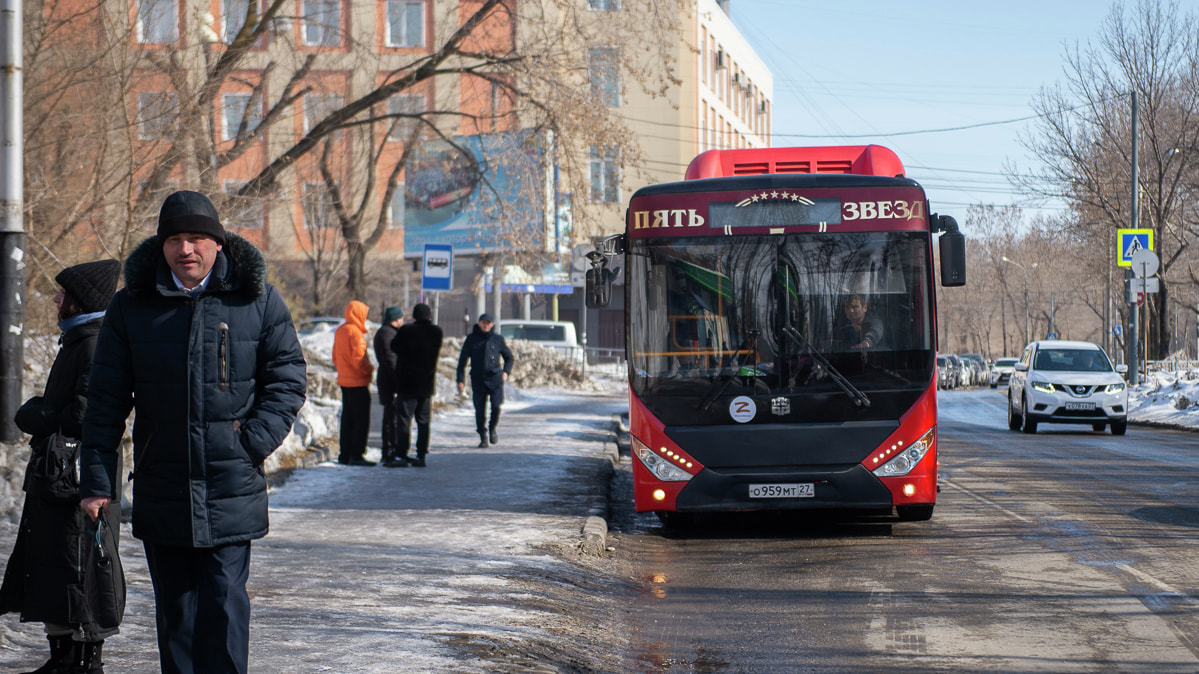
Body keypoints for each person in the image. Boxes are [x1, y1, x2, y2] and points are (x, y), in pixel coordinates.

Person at [77, 190, 307, 674]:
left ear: (218, 244)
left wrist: (251, 442)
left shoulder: (257, 298)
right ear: (161, 247)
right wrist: (97, 482)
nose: (187, 249)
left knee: (224, 608)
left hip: (231, 484)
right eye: (176, 239)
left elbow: (287, 377)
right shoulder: (131, 307)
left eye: (198, 238)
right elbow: (104, 404)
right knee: (177, 615)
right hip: (165, 483)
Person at [1, 259, 122, 674]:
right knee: (54, 563)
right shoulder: (79, 338)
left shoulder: (93, 341)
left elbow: (88, 412)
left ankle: (83, 664)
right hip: (62, 477)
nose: (56, 299)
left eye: (63, 294)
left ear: (81, 300)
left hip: (78, 477)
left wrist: (38, 414)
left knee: (79, 565)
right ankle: (63, 659)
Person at [388, 303, 443, 467]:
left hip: (407, 383)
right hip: (426, 385)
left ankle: (401, 454)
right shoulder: (436, 332)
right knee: (423, 421)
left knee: (404, 420)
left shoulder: (406, 331)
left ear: (414, 316)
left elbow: (394, 346)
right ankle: (421, 455)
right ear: (430, 316)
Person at [456, 313, 513, 448]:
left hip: (495, 379)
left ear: (492, 324)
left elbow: (509, 357)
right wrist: (460, 380)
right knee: (480, 409)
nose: (485, 325)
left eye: (488, 323)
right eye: (483, 323)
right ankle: (483, 435)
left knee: (496, 406)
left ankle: (492, 428)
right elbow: (462, 361)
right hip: (478, 378)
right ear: (479, 323)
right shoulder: (471, 339)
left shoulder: (498, 339)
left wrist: (506, 372)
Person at [333, 300, 375, 466]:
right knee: (361, 420)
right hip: (358, 382)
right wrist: (369, 370)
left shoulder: (340, 331)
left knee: (347, 419)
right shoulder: (355, 333)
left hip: (344, 380)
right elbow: (359, 359)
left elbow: (334, 357)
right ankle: (357, 454)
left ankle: (344, 454)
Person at [373, 306, 403, 465]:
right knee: (391, 419)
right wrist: (398, 384)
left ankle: (392, 451)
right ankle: (389, 453)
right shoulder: (387, 334)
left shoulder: (388, 332)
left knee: (392, 418)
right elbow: (391, 361)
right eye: (401, 318)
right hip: (389, 383)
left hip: (389, 381)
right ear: (396, 319)